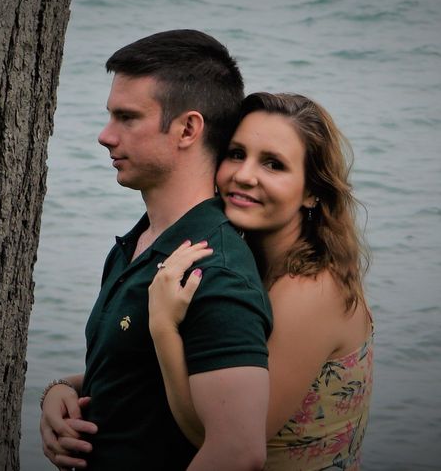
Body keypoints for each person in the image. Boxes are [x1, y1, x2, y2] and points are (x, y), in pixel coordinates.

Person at [39, 30, 273, 470]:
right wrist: (61, 390)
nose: (105, 136)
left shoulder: (212, 269)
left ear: (188, 129)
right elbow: (134, 371)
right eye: (110, 116)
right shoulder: (139, 242)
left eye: (127, 118)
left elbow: (239, 451)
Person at [148, 92, 373, 470]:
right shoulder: (246, 265)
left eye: (273, 164)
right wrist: (66, 390)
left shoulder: (311, 291)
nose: (244, 175)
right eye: (236, 154)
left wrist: (163, 326)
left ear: (312, 192)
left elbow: (222, 440)